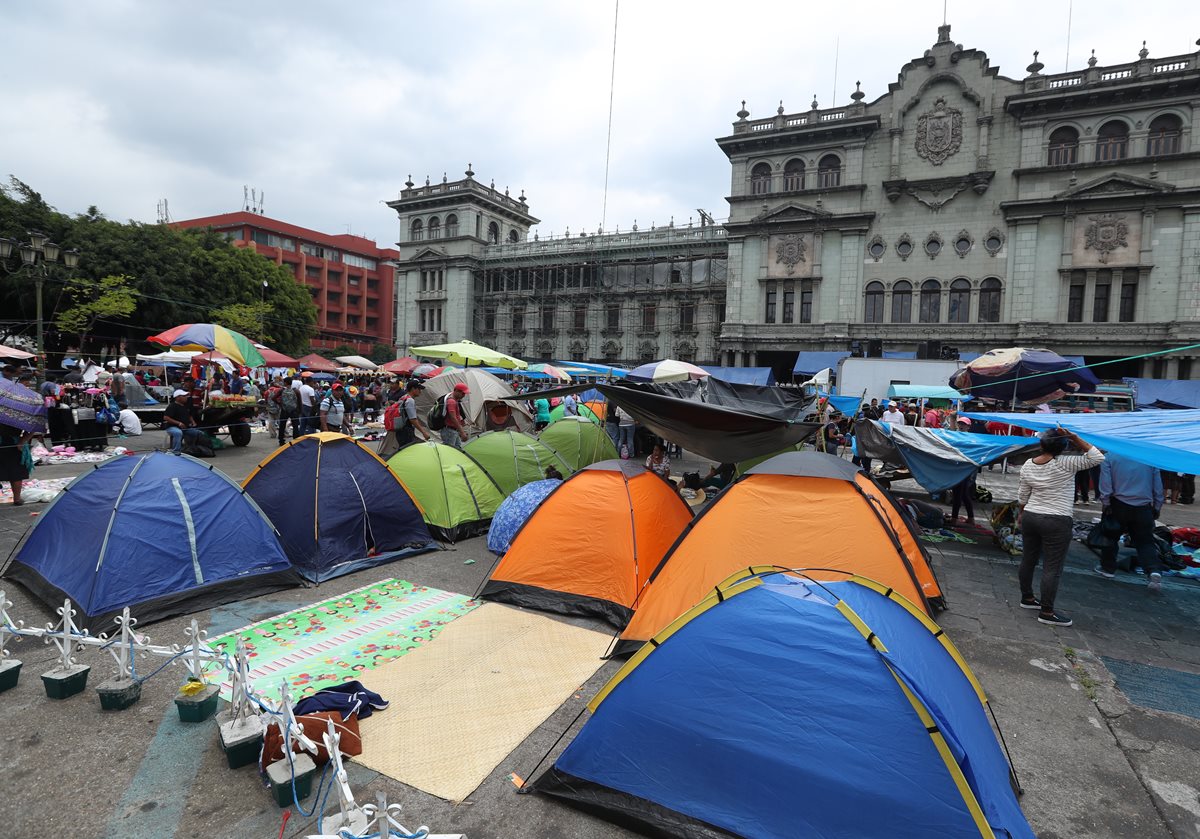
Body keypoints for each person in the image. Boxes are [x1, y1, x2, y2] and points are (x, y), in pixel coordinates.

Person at [1016, 427, 1104, 627]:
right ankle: (1046, 611)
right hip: (1057, 519)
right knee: (1052, 567)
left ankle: (1027, 598)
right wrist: (1075, 437)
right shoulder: (1067, 463)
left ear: (1041, 444)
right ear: (1064, 446)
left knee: (1028, 559)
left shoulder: (1028, 464)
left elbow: (1022, 495)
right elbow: (1096, 457)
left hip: (1031, 515)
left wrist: (1022, 514)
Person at [1096, 454, 1166, 592]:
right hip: (1143, 506)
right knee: (1145, 541)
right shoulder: (1148, 458)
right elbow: (1158, 486)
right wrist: (1157, 505)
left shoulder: (1110, 457)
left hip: (1118, 504)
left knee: (1111, 537)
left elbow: (1105, 483)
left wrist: (1105, 502)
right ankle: (1153, 570)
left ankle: (1108, 568)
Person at [0, 423, 34, 505]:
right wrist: (23, 440)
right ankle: (17, 499)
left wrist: (23, 440)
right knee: (16, 472)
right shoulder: (20, 413)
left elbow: (32, 428)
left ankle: (17, 498)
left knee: (16, 472)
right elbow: (32, 428)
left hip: (14, 444)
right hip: (16, 443)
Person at [164, 389, 202, 455]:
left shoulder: (185, 406)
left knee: (198, 433)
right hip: (172, 427)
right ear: (178, 397)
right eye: (184, 396)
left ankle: (194, 449)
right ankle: (176, 451)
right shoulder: (172, 406)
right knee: (178, 433)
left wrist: (193, 422)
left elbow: (189, 415)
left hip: (185, 428)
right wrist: (179, 423)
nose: (186, 397)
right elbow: (166, 417)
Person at [442, 383, 469, 448]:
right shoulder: (451, 401)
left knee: (458, 449)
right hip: (449, 431)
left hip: (453, 430)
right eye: (462, 393)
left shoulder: (454, 400)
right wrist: (462, 432)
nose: (464, 395)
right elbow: (453, 418)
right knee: (450, 450)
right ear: (456, 391)